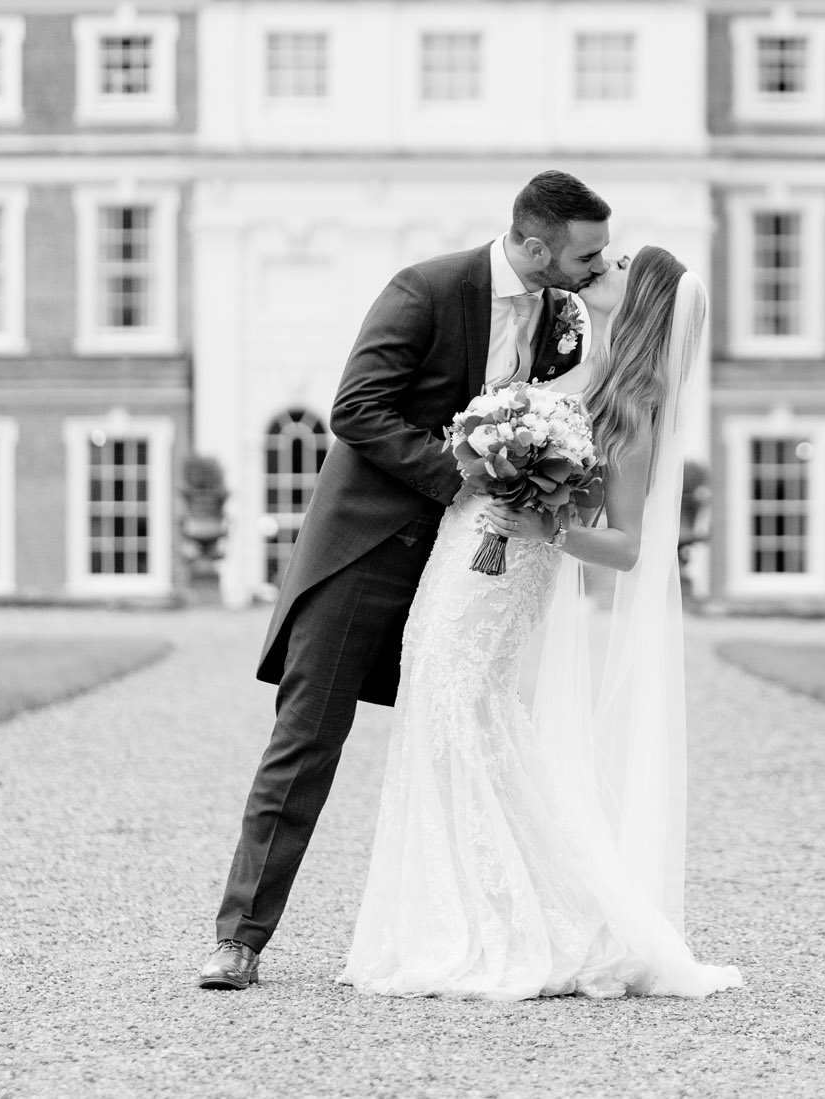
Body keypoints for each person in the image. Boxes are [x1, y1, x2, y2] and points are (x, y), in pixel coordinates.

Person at [199, 171, 612, 991]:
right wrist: (462, 475)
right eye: (586, 252)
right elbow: (356, 408)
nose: (597, 266)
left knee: (467, 730)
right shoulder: (426, 287)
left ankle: (468, 929)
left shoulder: (561, 317)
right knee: (309, 735)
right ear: (534, 245)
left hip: (466, 562)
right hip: (370, 545)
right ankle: (238, 938)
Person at [338, 244, 742, 1000]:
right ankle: (447, 912)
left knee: (462, 707)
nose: (604, 263)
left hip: (513, 563)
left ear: (642, 300)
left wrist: (543, 530)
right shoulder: (569, 357)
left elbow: (627, 548)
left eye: (619, 263)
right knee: (433, 694)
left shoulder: (632, 412)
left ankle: (518, 922)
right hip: (467, 543)